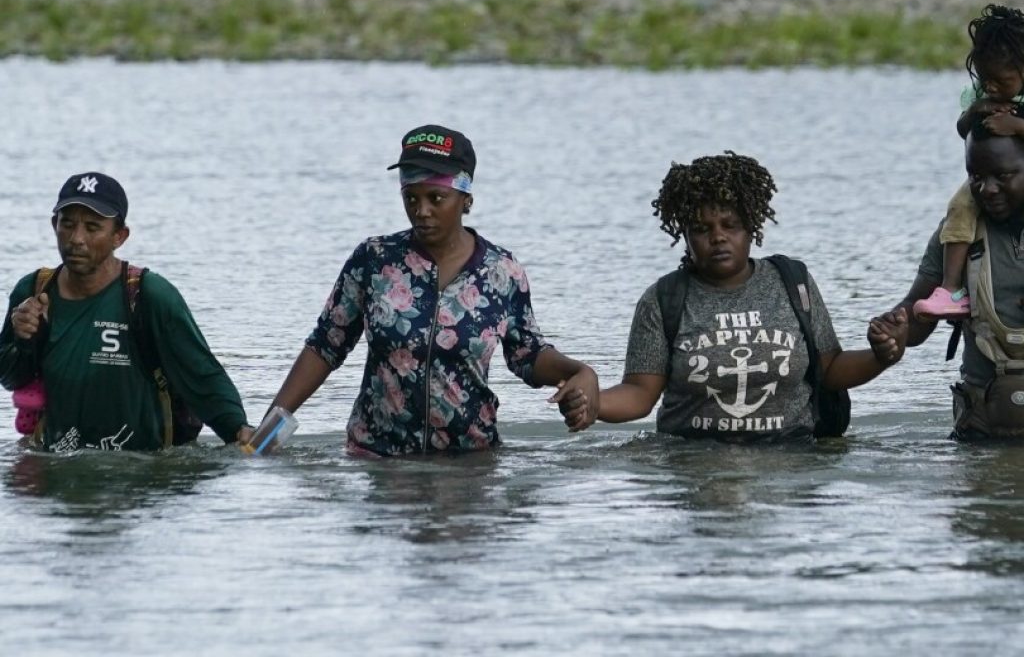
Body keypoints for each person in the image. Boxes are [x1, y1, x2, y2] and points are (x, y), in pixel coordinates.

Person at [267, 125, 598, 456]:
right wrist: (266, 435)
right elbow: (325, 346)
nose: (421, 211)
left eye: (435, 199)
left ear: (465, 199)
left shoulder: (502, 272)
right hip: (378, 459)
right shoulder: (374, 260)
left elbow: (527, 354)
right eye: (411, 198)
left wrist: (578, 371)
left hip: (471, 463)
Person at [580, 152, 904, 442]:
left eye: (730, 225)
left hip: (790, 460)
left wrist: (881, 356)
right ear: (685, 235)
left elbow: (830, 369)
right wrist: (593, 402)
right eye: (702, 229)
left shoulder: (793, 282)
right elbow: (639, 392)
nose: (718, 236)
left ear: (751, 226)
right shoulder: (663, 300)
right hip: (693, 462)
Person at [0, 173, 252, 452]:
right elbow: (11, 378)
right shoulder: (33, 290)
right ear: (53, 225)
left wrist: (237, 428)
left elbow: (201, 373)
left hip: (140, 472)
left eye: (93, 227)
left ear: (119, 236)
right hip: (58, 469)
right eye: (67, 224)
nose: (76, 239)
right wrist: (26, 341)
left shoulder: (148, 295)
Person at [880, 120, 1024, 439]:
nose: (987, 189)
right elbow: (918, 319)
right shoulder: (957, 234)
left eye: (1003, 176)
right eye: (976, 177)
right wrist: (896, 330)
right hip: (981, 430)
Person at [914, 5, 1024, 319]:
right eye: (985, 78)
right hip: (991, 174)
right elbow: (963, 130)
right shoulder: (982, 91)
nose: (991, 87)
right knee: (960, 207)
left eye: (1001, 81)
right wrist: (975, 111)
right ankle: (951, 289)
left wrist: (1017, 127)